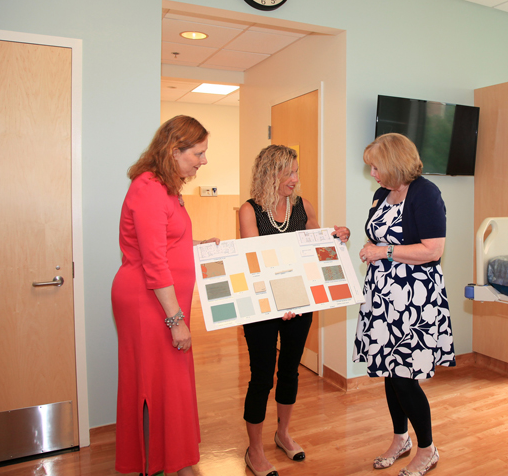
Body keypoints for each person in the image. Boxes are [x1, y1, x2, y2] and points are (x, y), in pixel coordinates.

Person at [111, 115, 220, 476]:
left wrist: (196, 246)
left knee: (169, 386)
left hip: (159, 298)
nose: (203, 161)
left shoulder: (166, 188)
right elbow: (154, 263)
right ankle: (155, 463)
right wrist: (176, 321)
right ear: (175, 151)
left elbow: (163, 244)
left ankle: (173, 459)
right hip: (148, 303)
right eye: (199, 153)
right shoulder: (148, 188)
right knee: (154, 386)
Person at [239, 144, 350, 476]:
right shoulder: (249, 211)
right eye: (289, 173)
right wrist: (279, 301)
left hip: (299, 304)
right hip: (262, 306)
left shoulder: (303, 207)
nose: (295, 179)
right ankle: (254, 451)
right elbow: (254, 262)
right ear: (269, 174)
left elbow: (317, 247)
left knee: (289, 370)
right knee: (262, 377)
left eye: (296, 172)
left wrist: (338, 236)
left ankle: (283, 434)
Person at [354, 133, 456, 476]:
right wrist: (355, 240)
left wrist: (382, 252)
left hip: (414, 300)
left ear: (394, 164)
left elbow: (432, 249)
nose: (372, 173)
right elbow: (376, 235)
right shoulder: (384, 193)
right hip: (383, 297)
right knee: (388, 371)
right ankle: (401, 439)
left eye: (376, 166)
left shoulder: (427, 194)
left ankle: (427, 449)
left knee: (405, 378)